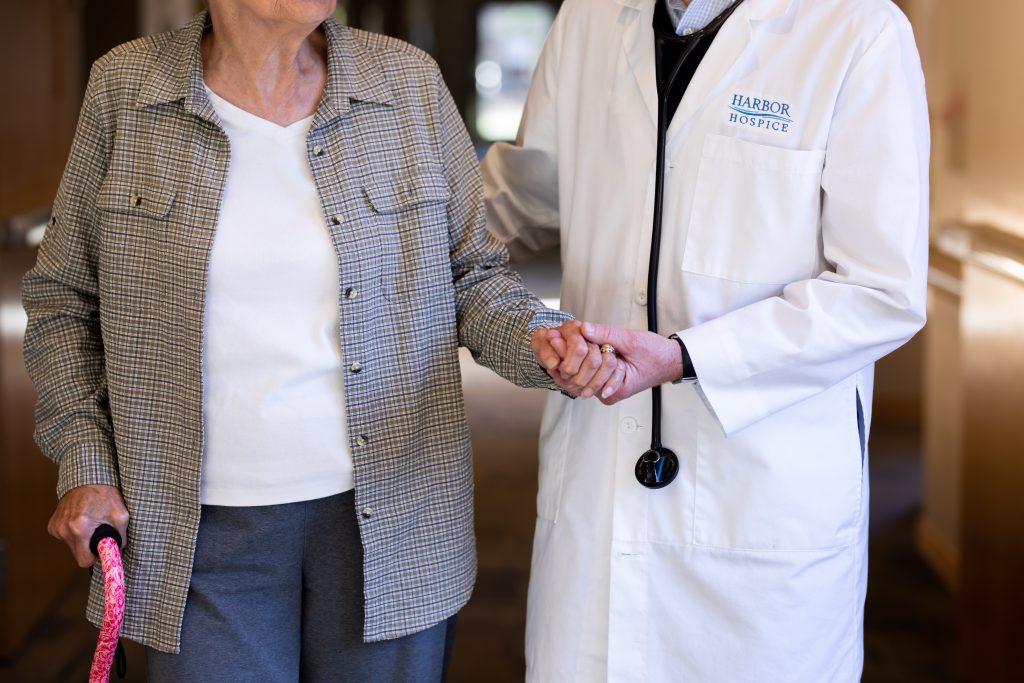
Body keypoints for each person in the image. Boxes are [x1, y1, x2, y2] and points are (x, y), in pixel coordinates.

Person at [22, 1, 618, 679]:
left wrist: (541, 340)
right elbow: (63, 299)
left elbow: (473, 275)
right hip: (196, 536)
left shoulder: (407, 83)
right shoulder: (127, 89)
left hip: (392, 522)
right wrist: (86, 459)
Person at [483, 0, 930, 680]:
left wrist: (687, 356)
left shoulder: (858, 31)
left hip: (759, 508)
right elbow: (526, 196)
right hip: (598, 488)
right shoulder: (590, 18)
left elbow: (881, 291)